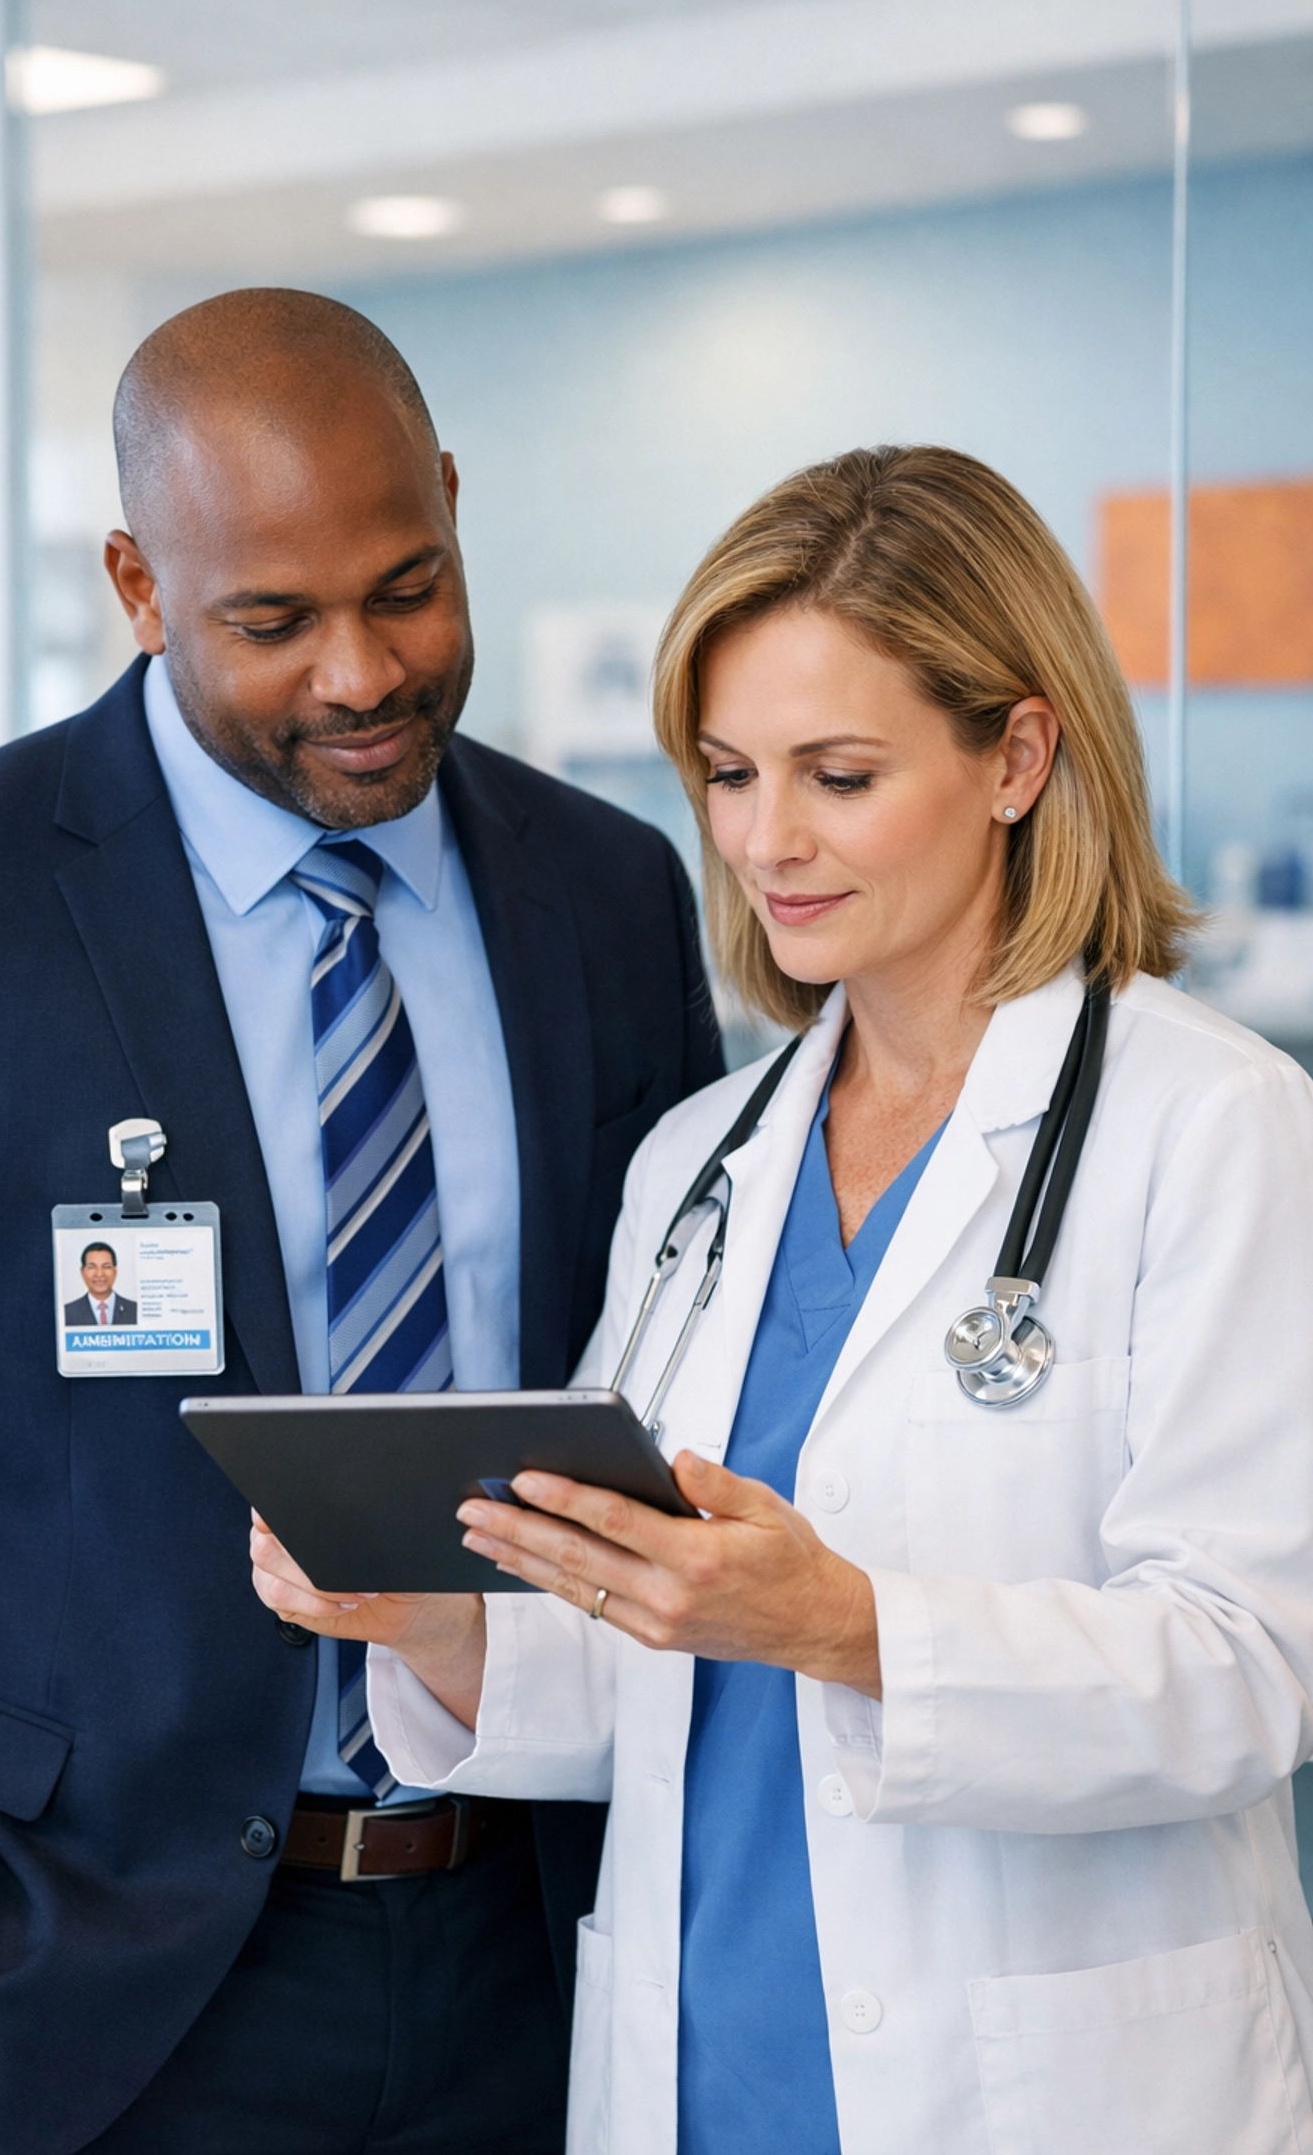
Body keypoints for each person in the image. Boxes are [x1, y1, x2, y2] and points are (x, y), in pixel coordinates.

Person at [253, 445, 1313, 2155]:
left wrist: (845, 1618)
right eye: (730, 773)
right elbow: (641, 1652)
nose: (765, 839)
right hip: (702, 2058)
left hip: (1050, 2080)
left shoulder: (1213, 1122)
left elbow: (1252, 1665)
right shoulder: (701, 1160)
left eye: (838, 772)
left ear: (1017, 755)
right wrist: (429, 1619)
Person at [0, 288, 722, 2155]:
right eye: (271, 621)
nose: (361, 671)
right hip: (85, 1986)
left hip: (537, 1940)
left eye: (408, 584)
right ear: (137, 580)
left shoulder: (605, 893)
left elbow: (666, 1375)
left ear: (451, 501)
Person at [64, 1242, 138, 1327]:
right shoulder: (67, 1312)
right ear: (82, 1272)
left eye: (106, 1266)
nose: (99, 1274)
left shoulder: (134, 1310)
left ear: (115, 1271)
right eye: (91, 1267)